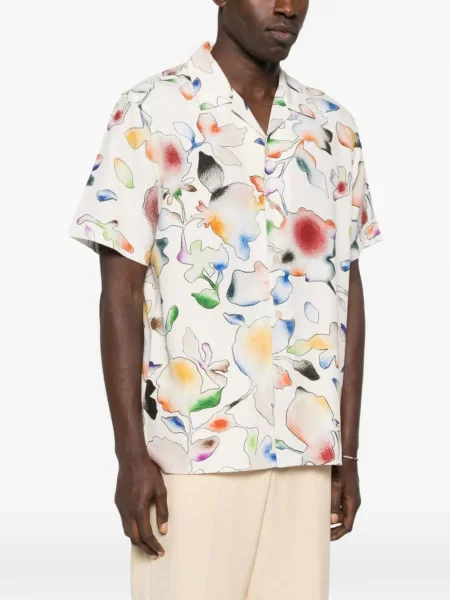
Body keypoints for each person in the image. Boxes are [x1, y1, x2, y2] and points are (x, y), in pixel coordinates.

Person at [68, 1, 382, 598]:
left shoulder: (332, 127)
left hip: (304, 451)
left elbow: (349, 289)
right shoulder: (151, 110)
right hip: (189, 456)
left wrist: (349, 453)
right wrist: (130, 455)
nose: (286, 6)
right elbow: (120, 291)